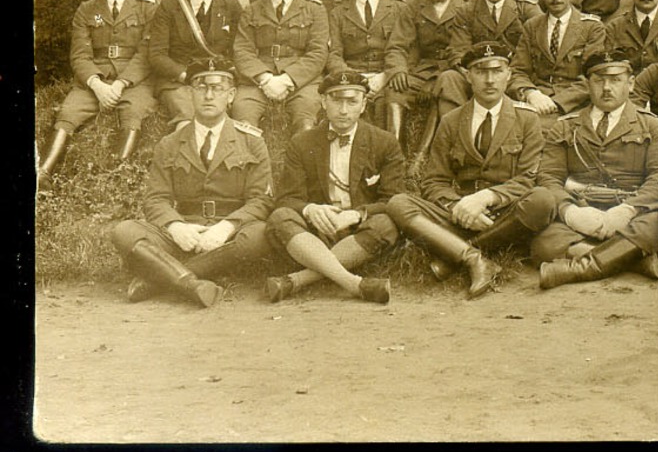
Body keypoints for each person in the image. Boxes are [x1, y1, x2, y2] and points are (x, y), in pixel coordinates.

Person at [386, 41, 551, 298]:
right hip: (460, 214)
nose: (489, 80)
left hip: (506, 213)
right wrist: (457, 207)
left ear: (508, 75)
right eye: (481, 71)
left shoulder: (527, 119)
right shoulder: (452, 121)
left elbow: (528, 179)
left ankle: (454, 255)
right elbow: (434, 181)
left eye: (497, 71)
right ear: (468, 76)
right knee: (399, 203)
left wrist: (486, 198)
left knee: (542, 200)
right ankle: (475, 259)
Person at [108, 57, 273, 306]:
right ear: (190, 94)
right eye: (201, 87)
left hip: (230, 234)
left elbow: (261, 200)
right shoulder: (170, 143)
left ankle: (160, 278)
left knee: (260, 234)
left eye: (217, 88)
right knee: (124, 230)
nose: (208, 95)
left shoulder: (251, 141)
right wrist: (176, 227)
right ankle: (192, 283)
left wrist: (225, 228)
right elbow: (156, 199)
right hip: (185, 232)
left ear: (231, 95)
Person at [533, 51, 658, 288]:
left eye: (615, 80)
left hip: (632, 214)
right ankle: (630, 258)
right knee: (544, 240)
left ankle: (578, 266)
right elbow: (549, 177)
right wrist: (570, 211)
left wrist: (627, 210)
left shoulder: (653, 125)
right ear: (587, 84)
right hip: (582, 210)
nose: (606, 88)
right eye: (599, 80)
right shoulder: (565, 127)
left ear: (630, 84)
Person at [263, 70, 402, 304]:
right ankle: (355, 284)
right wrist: (310, 210)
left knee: (386, 225)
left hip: (358, 230)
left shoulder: (385, 142)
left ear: (364, 104)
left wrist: (357, 214)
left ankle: (296, 280)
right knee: (280, 218)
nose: (344, 110)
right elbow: (287, 198)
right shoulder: (302, 142)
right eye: (337, 100)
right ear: (324, 102)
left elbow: (393, 199)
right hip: (315, 232)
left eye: (352, 101)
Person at [41, 0, 158, 177]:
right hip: (97, 77)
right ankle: (43, 173)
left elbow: (146, 53)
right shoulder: (87, 9)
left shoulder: (148, 7)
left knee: (133, 110)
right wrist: (97, 85)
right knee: (69, 111)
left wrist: (120, 84)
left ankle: (115, 173)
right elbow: (79, 55)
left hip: (134, 79)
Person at [230, 0, 330, 133]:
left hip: (302, 80)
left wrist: (287, 79)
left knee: (305, 120)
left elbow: (318, 52)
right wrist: (265, 79)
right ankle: (250, 159)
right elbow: (242, 50)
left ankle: (301, 159)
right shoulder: (252, 10)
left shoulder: (315, 9)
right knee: (243, 115)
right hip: (259, 77)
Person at [382, 0, 468, 153]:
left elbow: (465, 51)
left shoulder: (468, 5)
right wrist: (398, 70)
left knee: (447, 85)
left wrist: (436, 81)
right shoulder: (413, 7)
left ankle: (431, 155)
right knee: (395, 89)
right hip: (422, 70)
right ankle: (395, 154)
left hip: (455, 71)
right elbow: (397, 46)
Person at [324, 0, 411, 146]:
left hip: (386, 76)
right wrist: (355, 79)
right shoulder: (338, 13)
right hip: (352, 76)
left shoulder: (399, 9)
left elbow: (408, 49)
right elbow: (334, 54)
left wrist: (386, 75)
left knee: (389, 103)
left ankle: (392, 155)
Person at [146, 0, 241, 121]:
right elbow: (157, 55)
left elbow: (238, 49)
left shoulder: (231, 6)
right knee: (189, 116)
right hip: (179, 80)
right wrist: (184, 75)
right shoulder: (169, 7)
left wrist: (225, 75)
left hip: (217, 76)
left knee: (226, 115)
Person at [514, 0, 607, 126]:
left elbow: (593, 76)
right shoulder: (532, 26)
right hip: (537, 101)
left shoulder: (592, 27)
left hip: (575, 103)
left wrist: (556, 102)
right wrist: (531, 93)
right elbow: (517, 70)